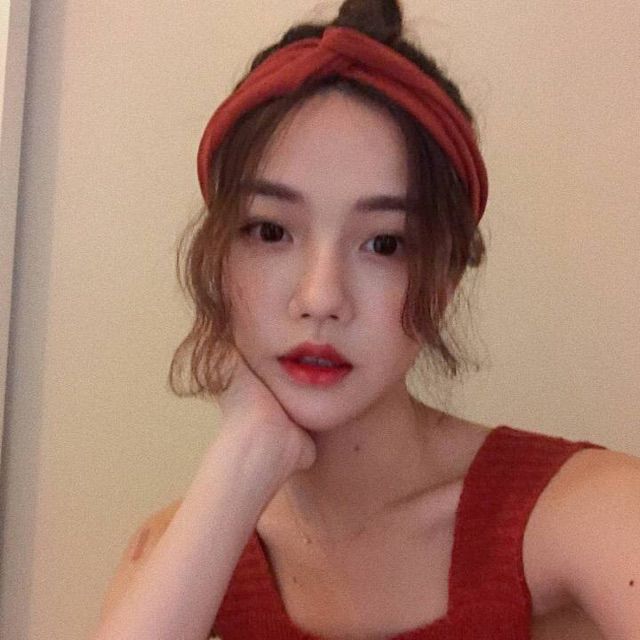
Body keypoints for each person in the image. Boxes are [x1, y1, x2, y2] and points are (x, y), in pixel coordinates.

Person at [92, 1, 640, 639]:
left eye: (384, 243)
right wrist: (243, 460)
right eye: (269, 231)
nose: (321, 297)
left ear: (445, 278)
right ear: (218, 258)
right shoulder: (183, 548)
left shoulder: (588, 513)